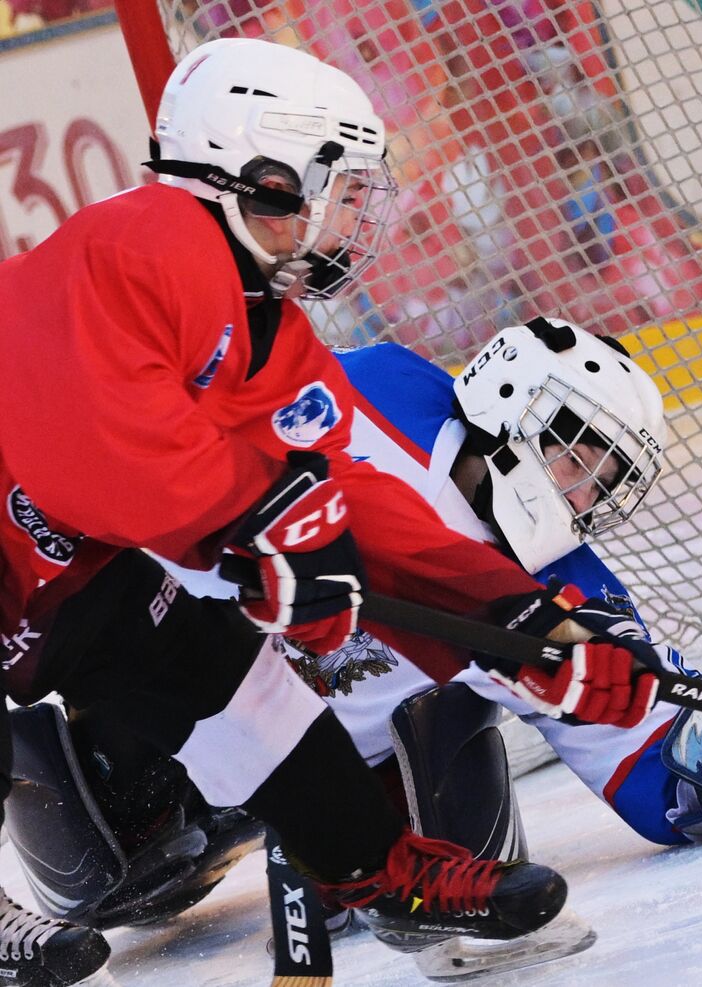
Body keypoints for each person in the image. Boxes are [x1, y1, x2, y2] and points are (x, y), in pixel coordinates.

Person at [6, 318, 702, 979]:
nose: (584, 496)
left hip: (338, 796)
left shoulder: (569, 588)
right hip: (174, 748)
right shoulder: (368, 386)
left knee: (456, 718)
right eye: (579, 460)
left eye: (604, 482)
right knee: (107, 830)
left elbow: (654, 768)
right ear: (514, 399)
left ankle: (389, 872)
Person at [0, 37, 664, 984]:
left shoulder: (271, 330)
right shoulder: (145, 243)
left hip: (67, 567)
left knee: (239, 690)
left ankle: (381, 869)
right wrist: (265, 520)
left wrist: (515, 623)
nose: (357, 216)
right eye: (343, 187)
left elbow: (347, 498)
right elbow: (89, 443)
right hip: (33, 536)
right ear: (263, 176)